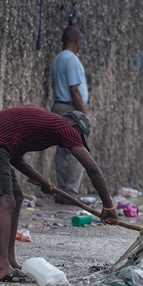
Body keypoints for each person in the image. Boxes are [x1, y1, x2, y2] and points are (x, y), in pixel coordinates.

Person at [0, 105, 117, 283]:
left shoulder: (48, 125)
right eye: (79, 139)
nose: (75, 144)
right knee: (6, 201)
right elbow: (92, 168)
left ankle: (10, 261)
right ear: (75, 127)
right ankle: (1, 268)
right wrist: (108, 206)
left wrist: (43, 181)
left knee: (16, 197)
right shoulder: (64, 128)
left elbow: (16, 158)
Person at [50, 26, 89, 199]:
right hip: (70, 108)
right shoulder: (71, 59)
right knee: (77, 149)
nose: (80, 45)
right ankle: (71, 192)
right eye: (80, 42)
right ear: (76, 41)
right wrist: (83, 115)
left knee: (62, 151)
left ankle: (61, 191)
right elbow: (74, 89)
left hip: (58, 106)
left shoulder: (57, 58)